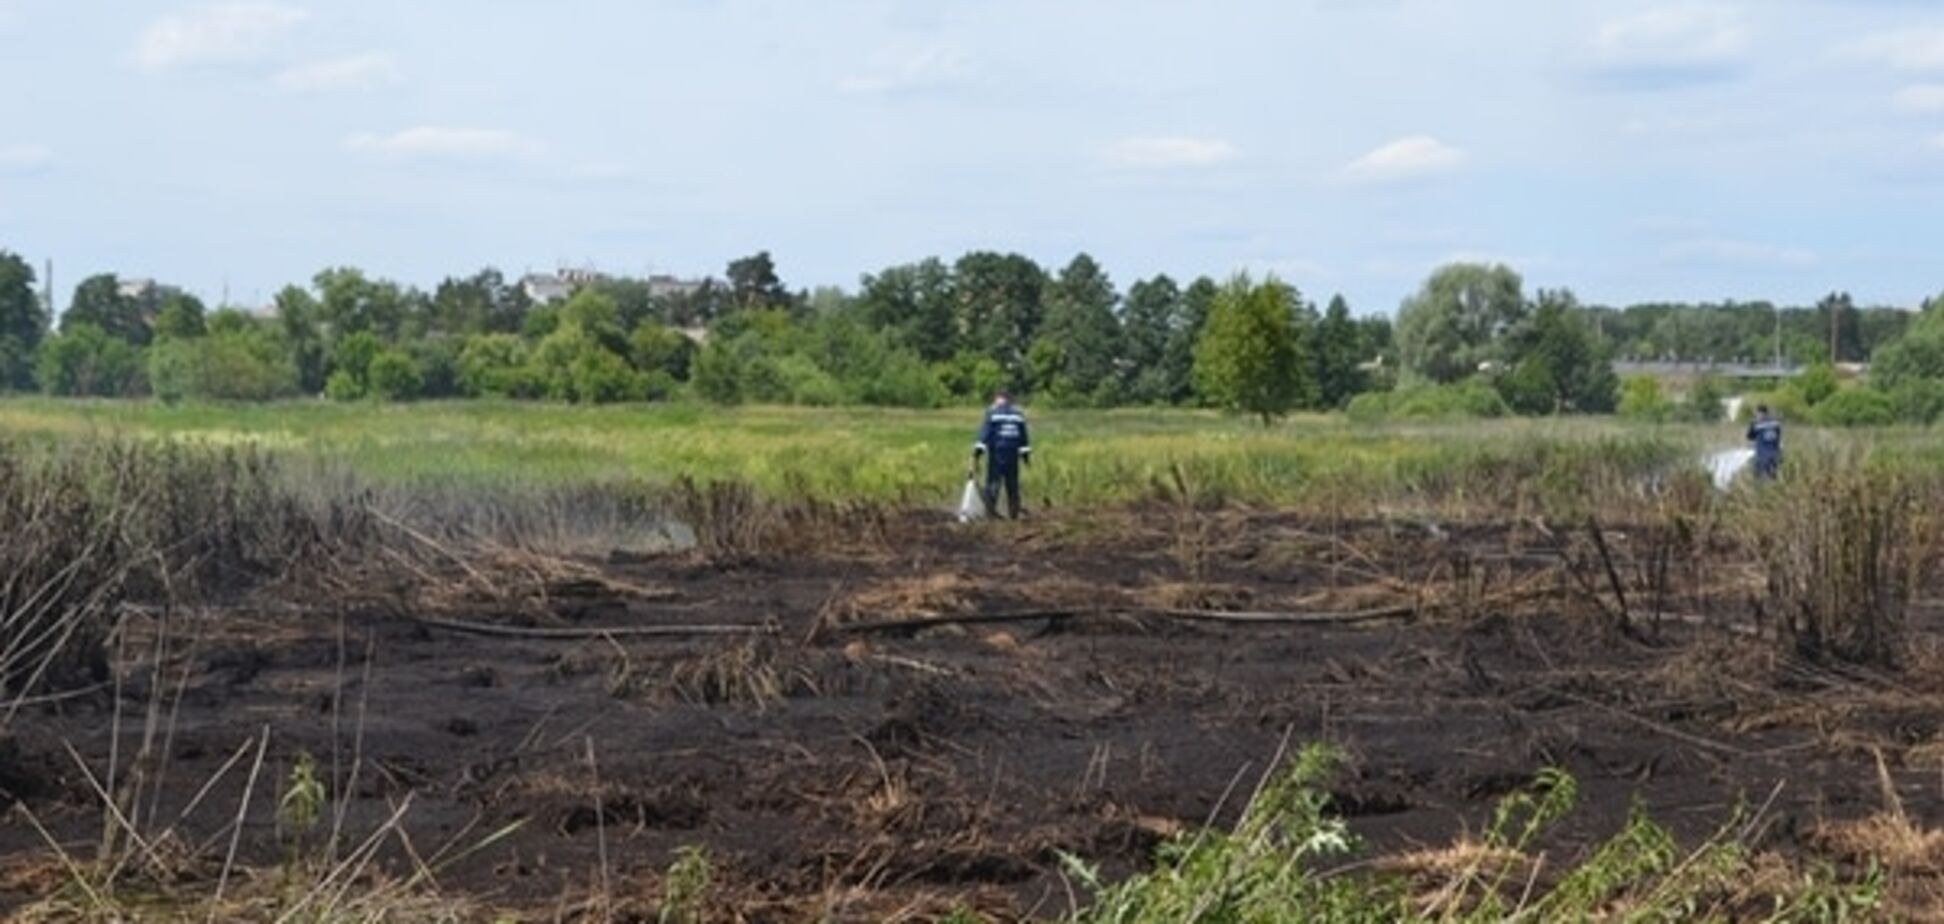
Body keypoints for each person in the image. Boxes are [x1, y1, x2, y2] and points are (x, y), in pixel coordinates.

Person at [971, 391, 1031, 518]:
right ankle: (1014, 512)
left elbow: (985, 433)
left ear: (999, 399)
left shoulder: (992, 413)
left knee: (993, 482)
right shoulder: (1018, 415)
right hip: (1013, 454)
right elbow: (1024, 437)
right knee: (1012, 483)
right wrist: (1026, 456)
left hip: (997, 453)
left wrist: (978, 452)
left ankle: (990, 512)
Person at [1747, 404, 1782, 480]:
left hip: (1762, 455)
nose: (1755, 415)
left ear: (1759, 412)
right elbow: (1778, 436)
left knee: (1758, 477)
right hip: (1775, 453)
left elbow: (1749, 437)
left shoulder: (1756, 423)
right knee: (1773, 476)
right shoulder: (1776, 423)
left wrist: (1752, 424)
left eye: (1756, 413)